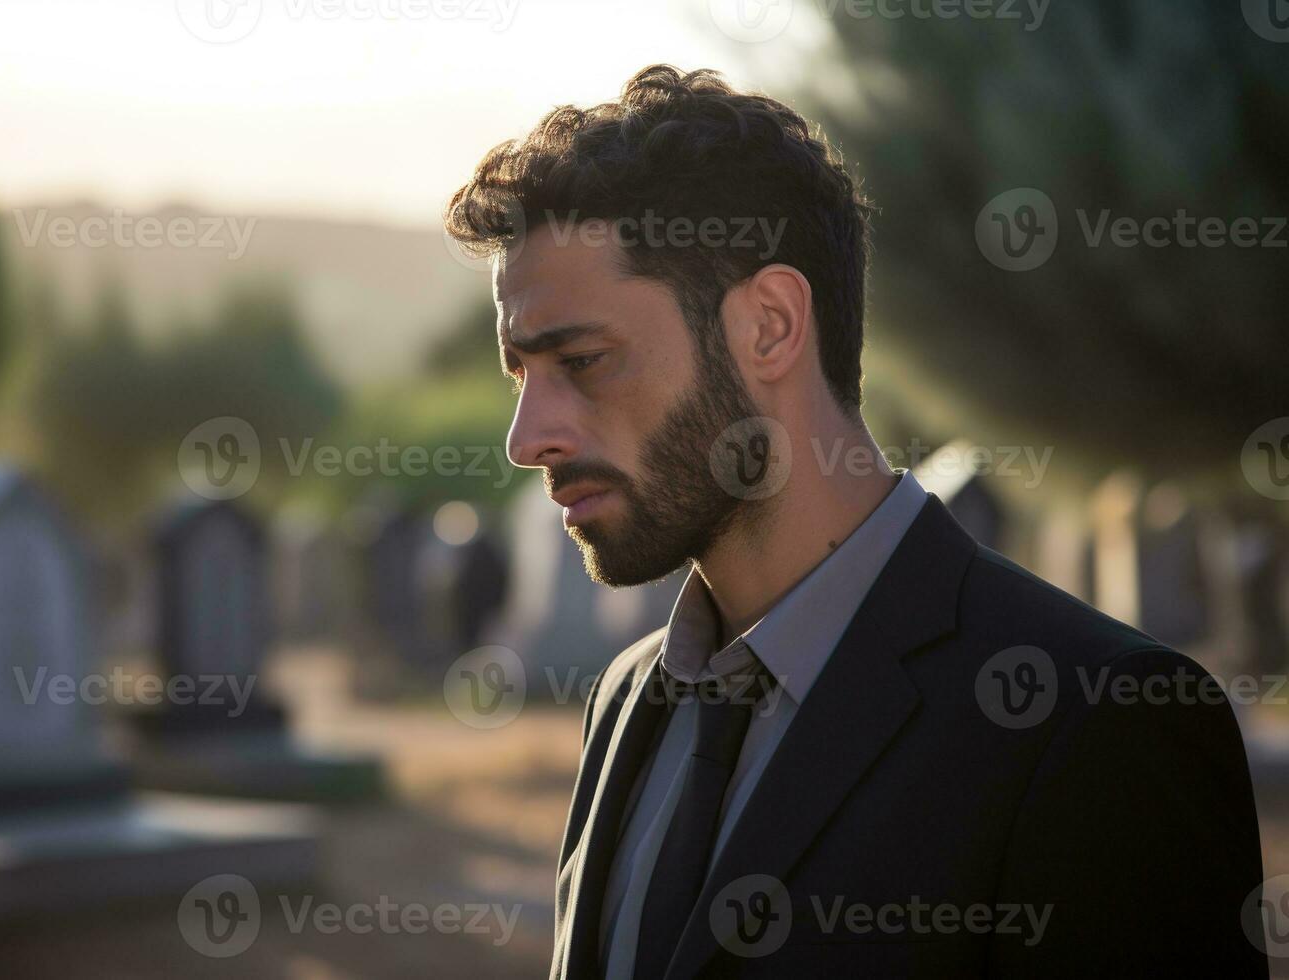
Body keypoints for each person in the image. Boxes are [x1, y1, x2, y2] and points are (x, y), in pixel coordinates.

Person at [443, 64, 1266, 978]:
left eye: (585, 361)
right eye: (523, 376)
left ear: (770, 326)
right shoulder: (629, 701)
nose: (527, 439)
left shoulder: (1097, 728)